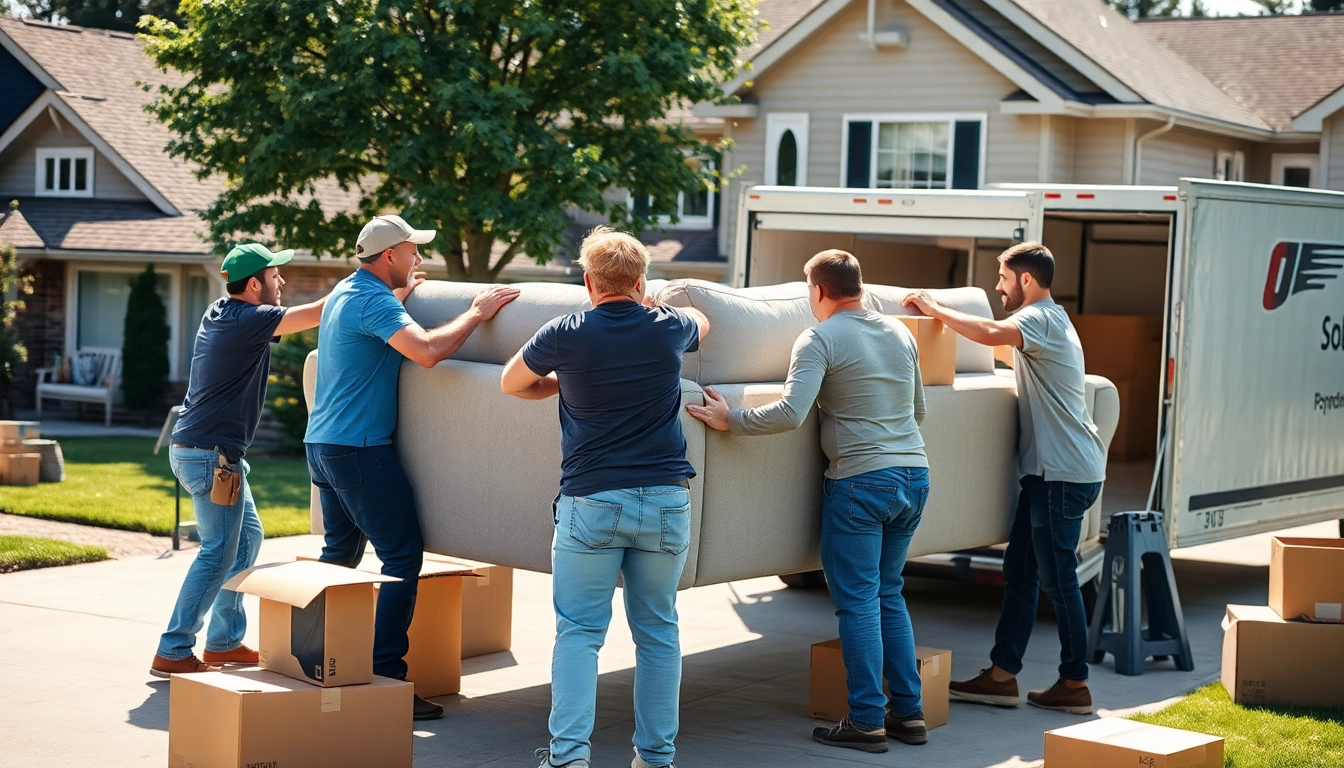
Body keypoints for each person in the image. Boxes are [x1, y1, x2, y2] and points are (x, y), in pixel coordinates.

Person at [687, 250, 929, 754]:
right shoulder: (901, 333)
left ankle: (866, 719)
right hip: (915, 475)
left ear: (817, 292)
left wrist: (731, 419)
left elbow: (791, 412)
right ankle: (908, 714)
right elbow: (919, 411)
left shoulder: (818, 337)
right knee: (888, 594)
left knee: (859, 602)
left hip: (862, 482)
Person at [501, 227, 709, 768]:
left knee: (579, 633)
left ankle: (569, 758)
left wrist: (561, 383)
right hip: (665, 501)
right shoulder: (669, 327)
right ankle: (656, 759)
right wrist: (658, 303)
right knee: (659, 632)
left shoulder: (565, 332)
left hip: (591, 502)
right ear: (640, 283)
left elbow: (511, 382)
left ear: (589, 281)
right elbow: (704, 324)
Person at [306, 214, 518, 720]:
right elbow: (426, 353)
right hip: (359, 450)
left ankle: (313, 661)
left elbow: (376, 319)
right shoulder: (372, 299)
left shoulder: (347, 291)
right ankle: (387, 679)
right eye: (411, 251)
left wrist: (401, 297)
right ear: (388, 258)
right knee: (401, 559)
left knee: (339, 553)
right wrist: (476, 312)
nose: (418, 259)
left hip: (321, 444)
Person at [902, 241, 1106, 716]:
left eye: (1003, 277)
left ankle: (1075, 683)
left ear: (1027, 281)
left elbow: (993, 333)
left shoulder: (1037, 318)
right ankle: (1001, 676)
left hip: (1061, 474)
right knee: (1021, 574)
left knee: (1058, 581)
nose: (998, 286)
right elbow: (1006, 354)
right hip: (1049, 472)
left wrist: (935, 308)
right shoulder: (1050, 323)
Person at [151, 243, 328, 678]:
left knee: (246, 538)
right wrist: (372, 286)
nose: (282, 282)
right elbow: (321, 312)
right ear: (254, 285)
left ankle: (224, 641)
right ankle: (173, 649)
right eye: (275, 276)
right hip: (212, 457)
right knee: (216, 552)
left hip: (205, 452)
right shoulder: (250, 320)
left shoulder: (222, 312)